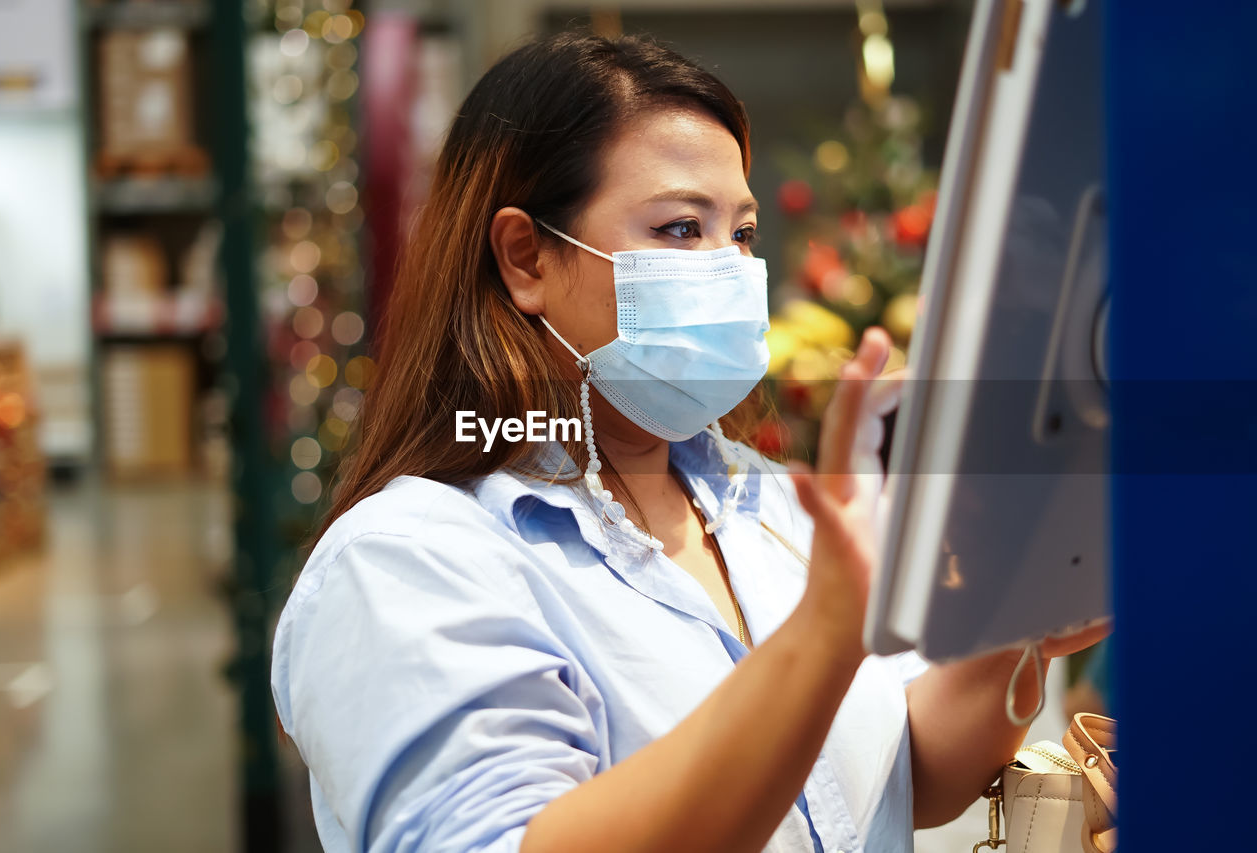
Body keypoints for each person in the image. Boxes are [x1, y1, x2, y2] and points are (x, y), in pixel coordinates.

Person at [270, 31, 1107, 853]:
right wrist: (827, 629)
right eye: (679, 229)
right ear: (526, 257)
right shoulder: (408, 561)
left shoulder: (769, 503)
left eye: (741, 233)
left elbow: (900, 773)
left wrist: (1012, 623)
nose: (729, 267)